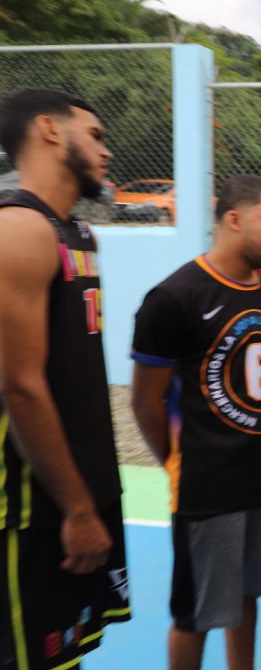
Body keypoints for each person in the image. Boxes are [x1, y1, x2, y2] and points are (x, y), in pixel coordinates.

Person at [131, 175, 261, 670]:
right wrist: (178, 463)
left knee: (247, 596)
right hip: (207, 487)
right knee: (195, 613)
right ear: (234, 219)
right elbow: (143, 403)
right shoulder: (174, 297)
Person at [0, 88, 131, 669]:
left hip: (84, 494)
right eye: (96, 135)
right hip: (33, 509)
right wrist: (78, 510)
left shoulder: (77, 234)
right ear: (51, 131)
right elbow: (21, 385)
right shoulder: (19, 231)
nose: (106, 151)